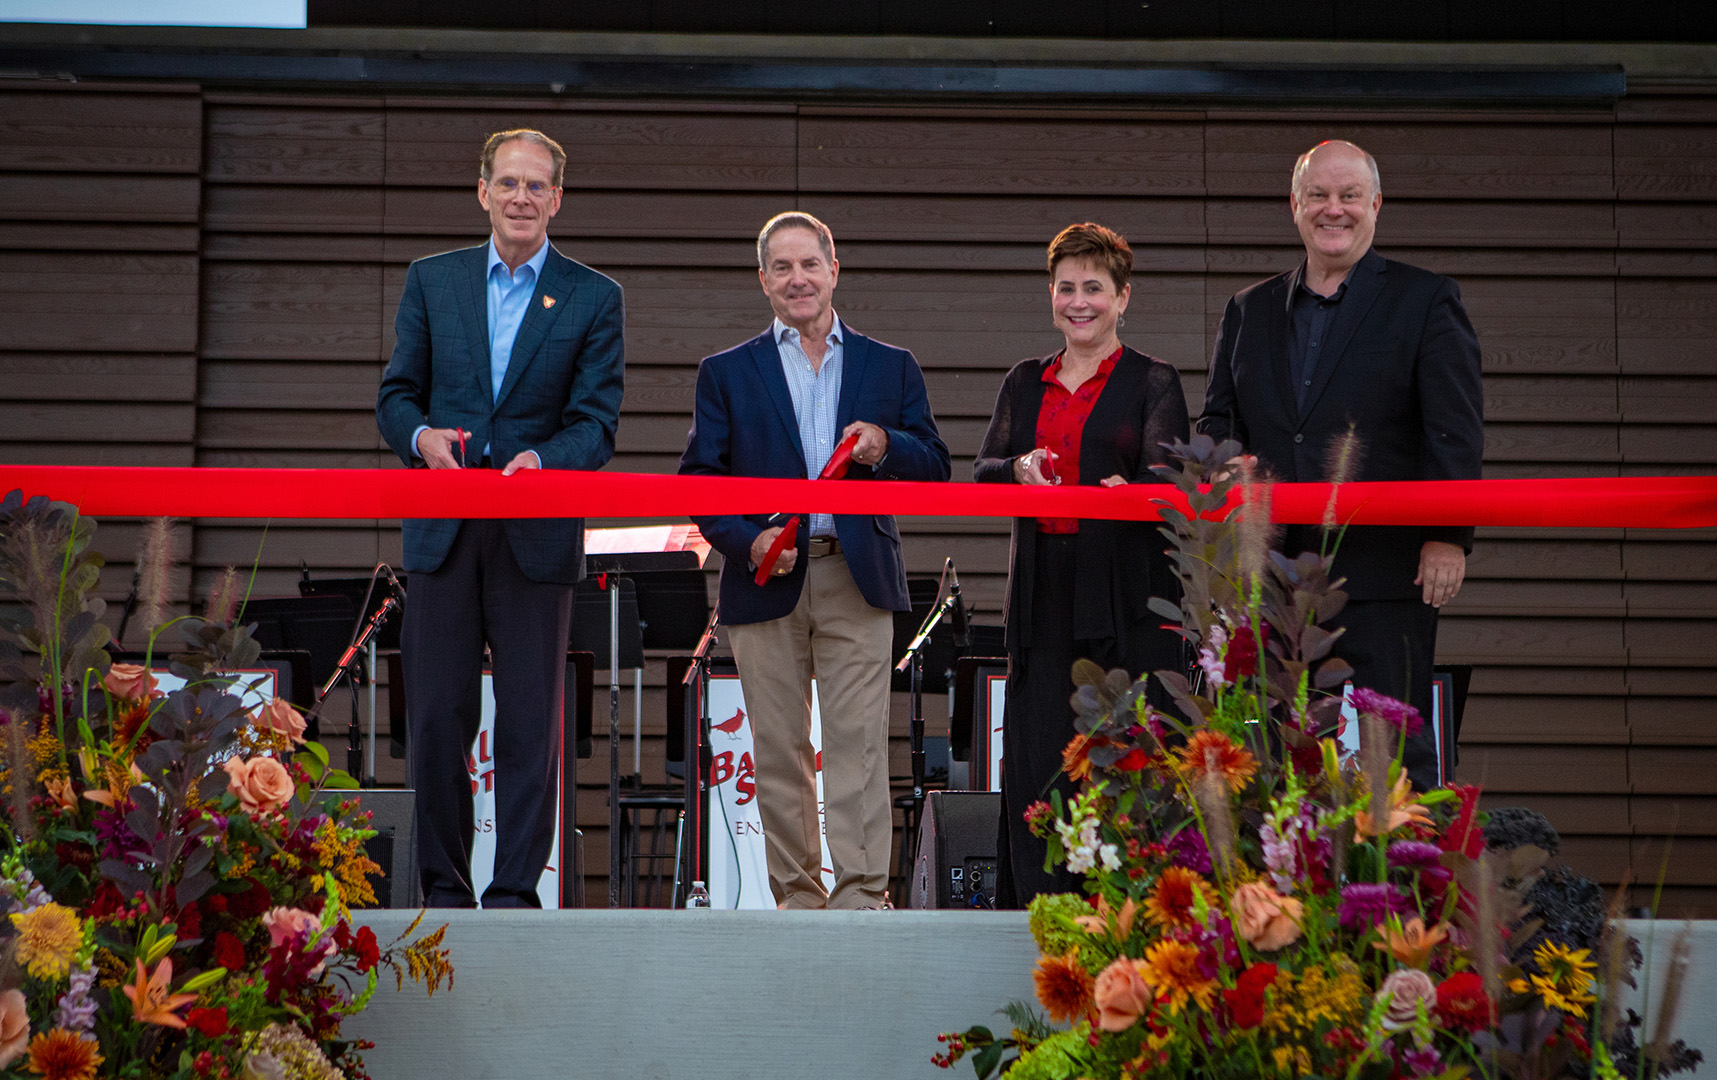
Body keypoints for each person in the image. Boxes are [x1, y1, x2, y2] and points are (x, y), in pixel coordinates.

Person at [377, 128, 625, 908]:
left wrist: (545, 462)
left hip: (536, 529)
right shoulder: (431, 280)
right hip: (444, 526)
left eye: (537, 186)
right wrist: (421, 440)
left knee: (529, 722)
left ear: (558, 198)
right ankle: (444, 889)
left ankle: (516, 892)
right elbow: (396, 397)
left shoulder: (594, 296)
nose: (522, 197)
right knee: (439, 717)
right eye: (509, 183)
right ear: (482, 190)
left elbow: (596, 423)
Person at [679, 211, 951, 910]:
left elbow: (935, 467)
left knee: (859, 745)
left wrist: (885, 445)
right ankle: (797, 901)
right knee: (777, 748)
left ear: (835, 269)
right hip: (765, 576)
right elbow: (699, 483)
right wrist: (747, 542)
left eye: (810, 264)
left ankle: (861, 898)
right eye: (782, 268)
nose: (798, 279)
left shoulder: (891, 365)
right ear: (763, 281)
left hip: (856, 576)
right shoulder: (725, 373)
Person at [1198, 139, 1484, 792]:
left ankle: (1404, 889)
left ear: (1375, 205)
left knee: (1397, 753)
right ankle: (1278, 894)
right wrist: (1225, 470)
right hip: (1271, 577)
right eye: (1319, 195)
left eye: (1349, 195)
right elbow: (1218, 425)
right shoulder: (1249, 309)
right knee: (1271, 755)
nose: (1335, 209)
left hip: (1383, 572)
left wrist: (1449, 536)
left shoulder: (1426, 300)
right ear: (1294, 206)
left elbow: (1454, 430)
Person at [973, 223, 1190, 906]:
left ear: (1123, 297)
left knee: (1125, 762)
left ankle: (1122, 914)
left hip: (1124, 595)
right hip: (1042, 595)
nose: (1079, 300)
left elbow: (1173, 479)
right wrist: (1018, 467)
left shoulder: (1153, 380)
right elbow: (983, 473)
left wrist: (1140, 493)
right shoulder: (1023, 380)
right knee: (1040, 761)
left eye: (1094, 287)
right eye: (1066, 287)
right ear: (1051, 295)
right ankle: (1041, 917)